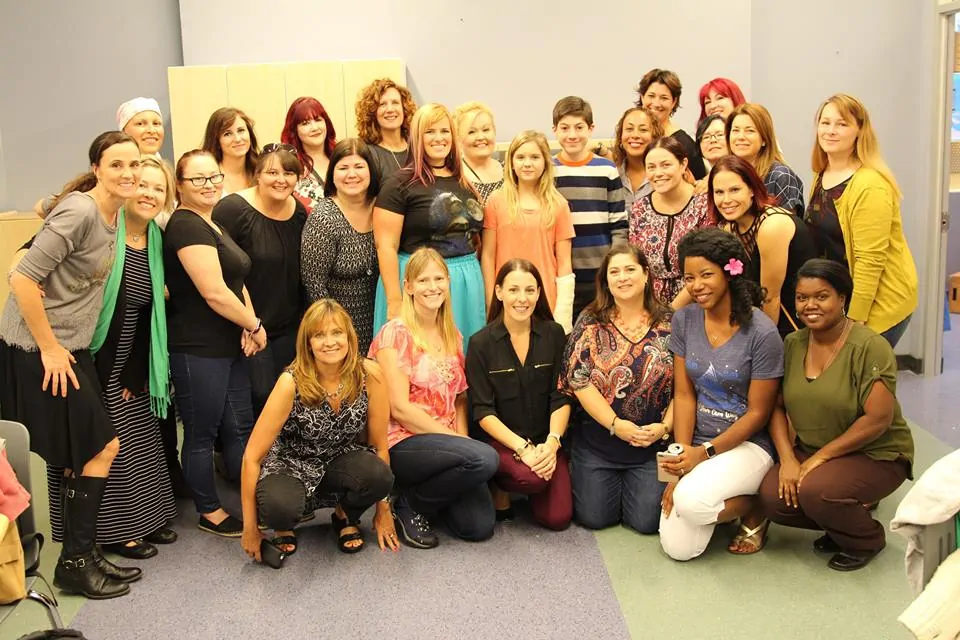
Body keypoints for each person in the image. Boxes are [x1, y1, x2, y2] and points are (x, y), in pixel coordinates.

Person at [0, 131, 142, 599]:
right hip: (37, 351)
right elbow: (21, 277)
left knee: (83, 454)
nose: (128, 173)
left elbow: (47, 216)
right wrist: (49, 347)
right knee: (101, 448)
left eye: (134, 165)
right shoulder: (82, 209)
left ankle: (83, 554)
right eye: (117, 164)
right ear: (97, 168)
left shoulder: (107, 213)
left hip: (69, 349)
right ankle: (76, 562)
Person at [49, 157, 179, 561]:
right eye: (141, 184)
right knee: (104, 446)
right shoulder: (102, 230)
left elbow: (145, 310)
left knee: (140, 440)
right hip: (89, 354)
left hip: (131, 359)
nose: (148, 193)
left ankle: (143, 520)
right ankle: (113, 532)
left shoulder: (155, 239)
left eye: (158, 188)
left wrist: (136, 368)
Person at [756, 259, 914, 570]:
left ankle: (866, 539)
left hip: (875, 453)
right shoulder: (792, 343)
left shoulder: (870, 346)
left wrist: (819, 459)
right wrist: (788, 459)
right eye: (802, 297)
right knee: (772, 499)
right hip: (812, 449)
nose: (810, 305)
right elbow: (776, 407)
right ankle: (841, 522)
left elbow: (877, 419)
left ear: (842, 298)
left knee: (818, 492)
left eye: (821, 296)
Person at [658, 227, 783, 561]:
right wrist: (683, 454)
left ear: (730, 272)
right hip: (697, 439)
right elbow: (684, 396)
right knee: (678, 549)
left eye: (706, 275)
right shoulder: (684, 320)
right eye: (688, 277)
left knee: (690, 502)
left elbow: (759, 413)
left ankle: (757, 507)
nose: (696, 286)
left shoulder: (762, 333)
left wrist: (703, 454)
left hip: (748, 444)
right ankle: (709, 500)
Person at [240, 300, 398, 562]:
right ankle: (283, 524)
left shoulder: (370, 374)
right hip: (290, 462)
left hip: (341, 459)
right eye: (319, 334)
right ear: (308, 343)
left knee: (379, 475)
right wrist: (250, 528)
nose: (330, 342)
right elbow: (251, 458)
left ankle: (344, 514)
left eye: (337, 333)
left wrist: (384, 510)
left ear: (350, 337)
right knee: (279, 507)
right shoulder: (290, 383)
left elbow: (380, 446)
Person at [369, 248, 498, 549]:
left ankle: (431, 495)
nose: (433, 287)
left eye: (439, 278)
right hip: (405, 441)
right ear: (409, 286)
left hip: (448, 441)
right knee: (485, 458)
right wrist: (460, 444)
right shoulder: (394, 335)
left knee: (478, 527)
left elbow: (460, 400)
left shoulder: (451, 334)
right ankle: (409, 504)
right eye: (423, 280)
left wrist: (461, 440)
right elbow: (399, 408)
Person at [164, 150, 265, 537]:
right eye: (198, 179)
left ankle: (254, 501)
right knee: (202, 434)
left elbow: (237, 282)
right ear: (180, 185)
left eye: (214, 177)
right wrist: (255, 325)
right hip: (198, 350)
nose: (209, 185)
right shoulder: (186, 225)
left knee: (240, 429)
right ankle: (209, 511)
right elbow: (214, 292)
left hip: (230, 345)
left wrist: (247, 325)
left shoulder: (213, 223)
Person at [559, 246, 674, 533]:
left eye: (630, 269)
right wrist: (615, 424)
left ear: (646, 275)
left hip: (650, 445)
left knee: (647, 523)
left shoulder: (671, 321)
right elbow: (578, 380)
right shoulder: (590, 321)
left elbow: (685, 386)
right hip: (599, 441)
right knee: (595, 518)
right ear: (606, 281)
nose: (623, 277)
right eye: (614, 272)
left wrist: (664, 427)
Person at [805, 93, 918, 348]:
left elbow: (870, 260)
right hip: (842, 297)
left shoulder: (870, 185)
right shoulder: (823, 174)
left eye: (842, 124)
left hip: (878, 304)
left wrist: (854, 322)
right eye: (825, 123)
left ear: (859, 130)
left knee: (860, 382)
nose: (831, 131)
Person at [466, 260, 572, 529]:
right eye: (513, 290)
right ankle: (498, 484)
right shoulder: (480, 343)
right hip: (504, 443)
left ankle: (536, 474)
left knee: (557, 519)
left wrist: (552, 443)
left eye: (529, 290)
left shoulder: (554, 333)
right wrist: (522, 449)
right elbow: (482, 411)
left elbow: (561, 395)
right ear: (499, 292)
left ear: (539, 293)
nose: (522, 299)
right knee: (531, 478)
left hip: (546, 439)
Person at [372, 103, 485, 350]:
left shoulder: (464, 180)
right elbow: (385, 245)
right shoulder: (399, 184)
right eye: (430, 132)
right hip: (419, 282)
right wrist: (394, 300)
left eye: (445, 131)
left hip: (465, 283)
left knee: (463, 362)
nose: (439, 138)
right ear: (416, 137)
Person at [213, 144, 308, 419]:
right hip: (248, 326)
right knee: (261, 399)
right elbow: (224, 272)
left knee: (291, 401)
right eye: (272, 172)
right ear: (257, 174)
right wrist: (248, 322)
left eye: (289, 173)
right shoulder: (231, 210)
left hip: (289, 327)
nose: (281, 180)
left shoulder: (299, 212)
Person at [711, 155, 815, 337]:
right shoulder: (731, 228)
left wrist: (762, 347)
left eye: (735, 190)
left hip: (798, 325)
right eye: (719, 192)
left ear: (751, 189)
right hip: (763, 319)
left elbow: (771, 298)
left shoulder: (771, 226)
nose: (726, 200)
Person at [481, 131, 575, 330]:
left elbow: (565, 263)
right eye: (521, 157)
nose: (527, 163)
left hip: (544, 299)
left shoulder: (558, 204)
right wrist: (491, 300)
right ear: (511, 162)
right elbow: (488, 255)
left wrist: (563, 312)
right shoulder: (496, 201)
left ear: (545, 162)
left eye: (534, 157)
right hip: (506, 299)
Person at [551, 96, 627, 321]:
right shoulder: (549, 171)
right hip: (563, 275)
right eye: (564, 128)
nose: (572, 134)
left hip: (600, 274)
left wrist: (613, 267)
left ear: (591, 128)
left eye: (579, 127)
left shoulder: (606, 169)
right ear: (554, 130)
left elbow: (619, 223)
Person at [302, 138, 381, 354]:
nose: (351, 174)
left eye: (359, 166)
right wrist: (334, 331)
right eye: (343, 168)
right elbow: (314, 284)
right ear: (332, 174)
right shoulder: (324, 218)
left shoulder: (384, 207)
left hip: (383, 321)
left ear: (371, 170)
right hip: (340, 332)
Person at [629, 136, 715, 308]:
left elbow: (707, 264)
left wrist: (671, 312)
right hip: (650, 304)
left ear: (683, 164)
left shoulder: (703, 205)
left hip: (698, 302)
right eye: (651, 167)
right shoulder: (640, 208)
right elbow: (636, 260)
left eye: (666, 165)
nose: (658, 173)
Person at [727, 104, 804, 217]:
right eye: (735, 130)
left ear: (764, 139)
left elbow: (788, 228)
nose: (740, 137)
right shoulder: (726, 174)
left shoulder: (780, 176)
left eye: (750, 131)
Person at [636, 68, 707, 180]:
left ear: (674, 102)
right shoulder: (635, 139)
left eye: (664, 98)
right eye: (651, 96)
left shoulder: (685, 144)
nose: (656, 103)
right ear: (642, 97)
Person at [280, 96, 338, 214]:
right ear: (294, 130)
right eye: (305, 123)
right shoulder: (289, 167)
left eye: (318, 120)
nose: (314, 128)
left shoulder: (341, 157)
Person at [355, 78, 418, 184]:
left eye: (395, 103)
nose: (390, 109)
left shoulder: (417, 147)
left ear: (404, 108)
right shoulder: (368, 154)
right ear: (372, 112)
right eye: (382, 104)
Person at [612, 106, 664, 212]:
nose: (635, 135)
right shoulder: (612, 174)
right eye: (629, 129)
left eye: (643, 130)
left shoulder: (666, 175)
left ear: (655, 136)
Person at [202, 107, 260, 197]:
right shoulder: (207, 179)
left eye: (241, 130)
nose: (237, 139)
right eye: (227, 134)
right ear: (216, 141)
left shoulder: (262, 172)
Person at [453, 102, 504, 205]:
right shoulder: (455, 176)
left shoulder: (510, 170)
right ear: (458, 139)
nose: (481, 137)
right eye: (471, 132)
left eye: (486, 130)